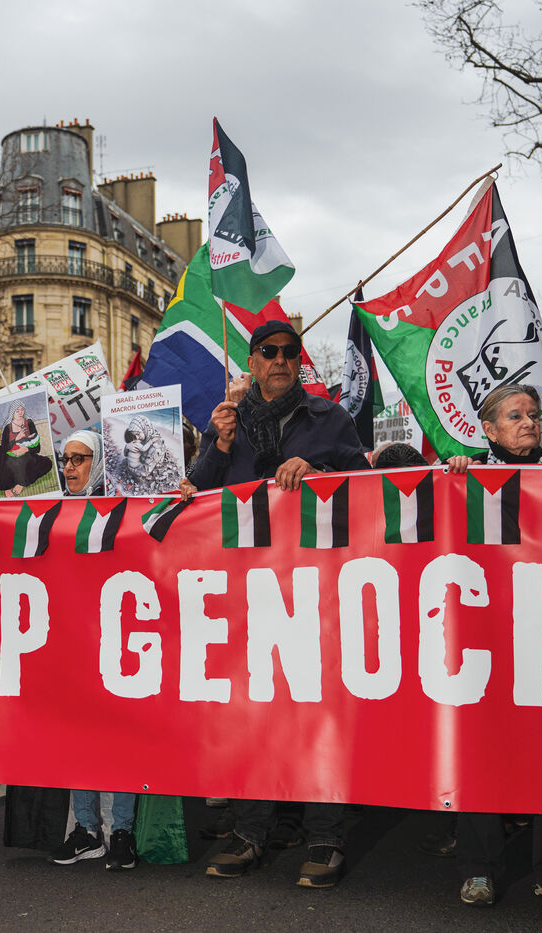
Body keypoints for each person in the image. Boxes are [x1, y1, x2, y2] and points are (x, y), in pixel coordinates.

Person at [190, 319, 368, 889]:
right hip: (248, 593)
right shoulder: (229, 422)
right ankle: (249, 833)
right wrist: (219, 443)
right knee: (252, 718)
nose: (280, 360)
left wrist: (320, 473)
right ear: (252, 360)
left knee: (318, 719)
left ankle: (325, 838)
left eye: (290, 352)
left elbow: (365, 486)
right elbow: (196, 496)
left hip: (316, 593)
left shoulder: (329, 417)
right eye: (268, 351)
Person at [446, 385, 542, 912]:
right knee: (481, 753)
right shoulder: (464, 480)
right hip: (485, 642)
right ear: (488, 430)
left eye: (532, 414)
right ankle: (478, 868)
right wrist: (454, 478)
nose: (528, 422)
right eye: (514, 416)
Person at [48, 429, 138, 870]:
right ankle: (87, 830)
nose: (69, 467)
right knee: (76, 735)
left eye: (79, 458)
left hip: (118, 636)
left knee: (120, 737)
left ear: (99, 461)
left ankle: (122, 831)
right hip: (72, 638)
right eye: (64, 459)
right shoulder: (50, 509)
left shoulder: (128, 506)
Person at [0, 403, 53, 494]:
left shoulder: (29, 423)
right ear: (12, 412)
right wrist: (16, 438)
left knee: (47, 463)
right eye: (17, 410)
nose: (20, 412)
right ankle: (6, 488)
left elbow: (37, 447)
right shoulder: (8, 427)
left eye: (22, 410)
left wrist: (26, 449)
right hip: (10, 458)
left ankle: (22, 483)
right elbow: (4, 448)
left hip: (26, 457)